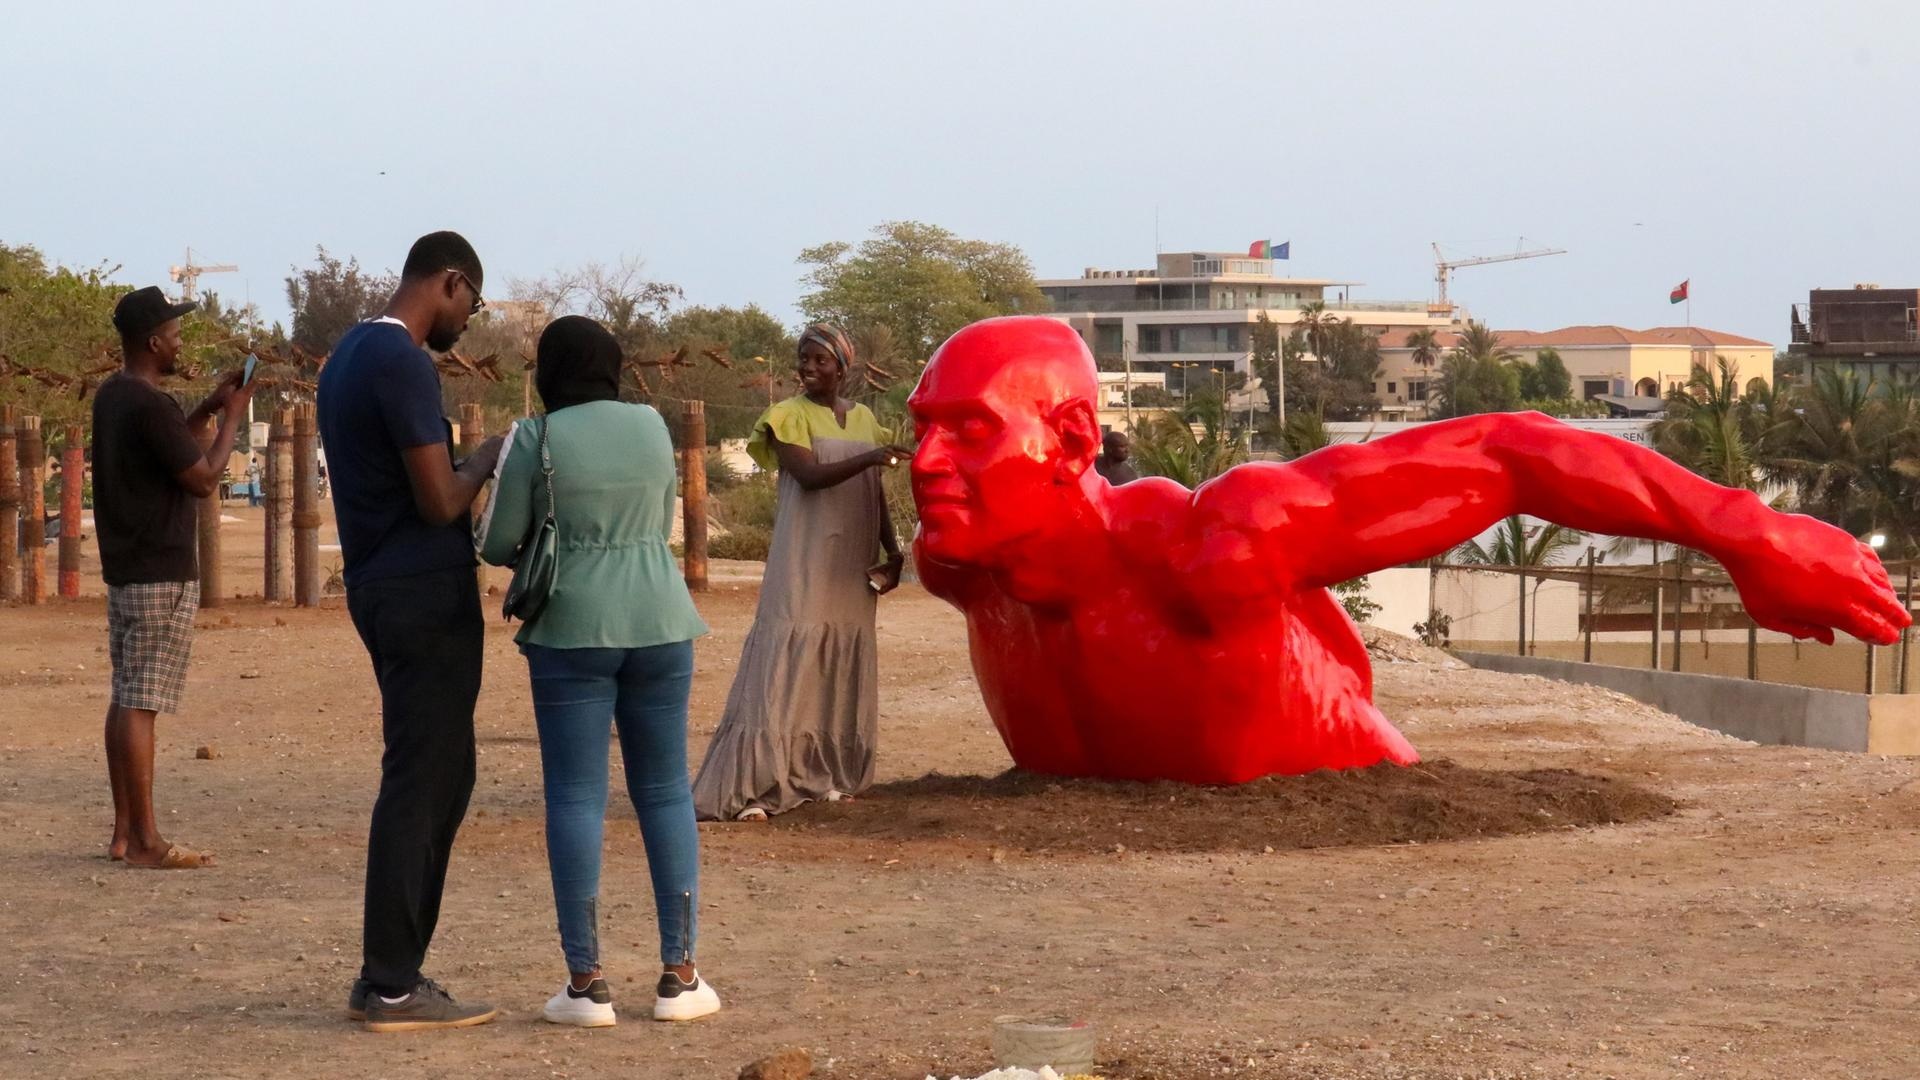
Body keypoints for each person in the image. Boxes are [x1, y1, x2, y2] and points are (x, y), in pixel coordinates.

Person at [907, 316, 1911, 784]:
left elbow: (1508, 454)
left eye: (970, 429)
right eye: (924, 429)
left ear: (1076, 443)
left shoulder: (1213, 544)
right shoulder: (962, 571)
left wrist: (1753, 532)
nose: (927, 461)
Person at [477, 316, 720, 1026]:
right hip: (661, 620)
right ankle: (680, 976)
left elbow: (496, 542)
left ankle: (587, 984)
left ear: (550, 370)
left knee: (577, 798)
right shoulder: (651, 425)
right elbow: (664, 515)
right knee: (666, 792)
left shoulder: (536, 435)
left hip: (572, 629)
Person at [315, 231, 504, 1032]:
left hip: (380, 583)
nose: (469, 321)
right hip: (421, 590)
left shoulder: (348, 355)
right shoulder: (402, 361)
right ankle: (391, 981)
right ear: (451, 283)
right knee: (423, 778)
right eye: (474, 303)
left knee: (441, 774)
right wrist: (492, 455)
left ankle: (393, 972)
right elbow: (437, 499)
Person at [691, 324, 911, 821]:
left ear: (843, 366)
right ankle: (757, 784)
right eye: (803, 359)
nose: (809, 368)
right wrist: (872, 456)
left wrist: (893, 552)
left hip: (851, 563)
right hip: (805, 558)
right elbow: (809, 477)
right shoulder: (785, 416)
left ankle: (826, 773)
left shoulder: (864, 420)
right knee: (786, 658)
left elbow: (874, 492)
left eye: (820, 360)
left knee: (834, 662)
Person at [91, 285, 253, 869]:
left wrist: (208, 409)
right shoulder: (149, 404)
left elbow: (167, 446)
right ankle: (147, 842)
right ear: (154, 342)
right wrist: (233, 418)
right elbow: (204, 478)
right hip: (161, 571)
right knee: (142, 702)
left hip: (126, 572)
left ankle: (123, 831)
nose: (181, 341)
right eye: (176, 333)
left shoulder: (115, 396)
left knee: (125, 697)